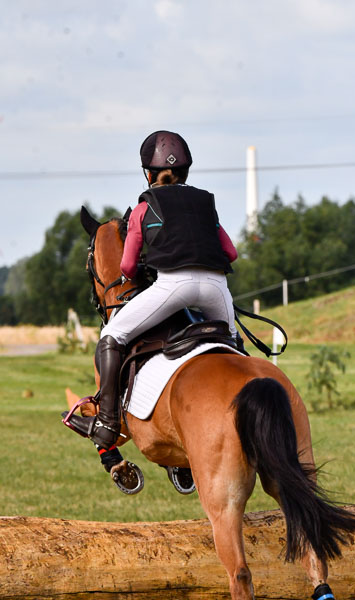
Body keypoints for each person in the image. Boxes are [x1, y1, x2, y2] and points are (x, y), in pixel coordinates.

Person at [72, 130, 239, 450]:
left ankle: (107, 423)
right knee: (233, 347)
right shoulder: (205, 203)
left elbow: (128, 268)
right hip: (218, 290)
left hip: (173, 287)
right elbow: (230, 253)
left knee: (112, 336)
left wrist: (151, 264)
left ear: (148, 173)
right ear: (187, 171)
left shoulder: (143, 208)